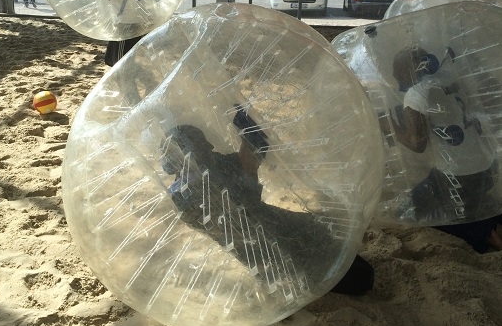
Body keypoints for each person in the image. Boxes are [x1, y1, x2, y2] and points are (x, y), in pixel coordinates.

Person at [160, 106, 375, 296]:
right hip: (267, 248)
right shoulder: (184, 195)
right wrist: (248, 145)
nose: (209, 148)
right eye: (200, 147)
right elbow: (239, 217)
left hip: (275, 224)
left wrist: (249, 137)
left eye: (204, 146)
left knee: (328, 232)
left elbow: (249, 163)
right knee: (361, 278)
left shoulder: (213, 165)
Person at [387, 46, 502, 253]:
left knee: (409, 212)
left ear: (410, 70)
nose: (395, 77)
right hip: (485, 166)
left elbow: (418, 143)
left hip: (456, 175)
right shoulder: (448, 78)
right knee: (447, 197)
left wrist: (389, 127)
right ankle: (482, 206)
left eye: (398, 71)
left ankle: (485, 233)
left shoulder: (416, 93)